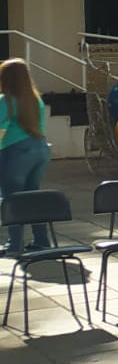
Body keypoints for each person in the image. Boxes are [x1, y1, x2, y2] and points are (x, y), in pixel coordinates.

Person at [0, 58, 51, 255]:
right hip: (40, 149)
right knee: (32, 197)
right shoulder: (36, 100)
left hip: (15, 151)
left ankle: (15, 244)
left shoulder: (6, 100)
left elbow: (1, 132)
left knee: (12, 199)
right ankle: (42, 241)